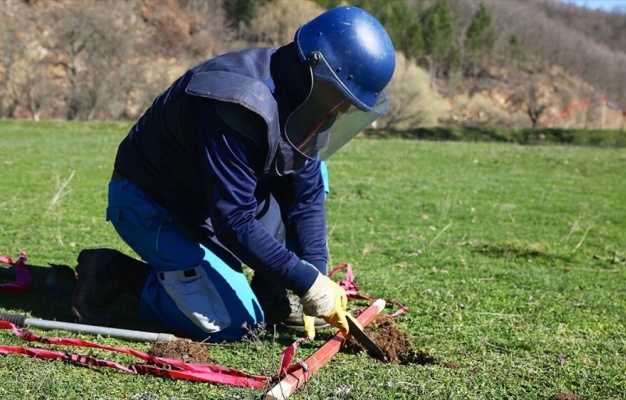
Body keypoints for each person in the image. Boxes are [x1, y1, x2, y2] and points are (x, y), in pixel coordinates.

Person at [72, 6, 395, 342]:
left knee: (314, 180)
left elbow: (307, 195)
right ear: (313, 68)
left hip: (218, 197)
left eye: (349, 104)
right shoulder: (237, 102)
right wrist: (304, 281)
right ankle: (117, 274)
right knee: (234, 324)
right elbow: (234, 221)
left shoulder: (314, 102)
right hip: (154, 204)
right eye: (340, 97)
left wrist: (315, 271)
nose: (341, 109)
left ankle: (271, 297)